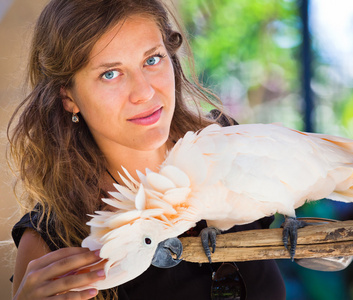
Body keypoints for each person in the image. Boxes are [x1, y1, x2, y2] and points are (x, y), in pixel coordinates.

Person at [7, 0, 286, 299]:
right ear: (68, 97)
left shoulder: (227, 145)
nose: (145, 92)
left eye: (152, 60)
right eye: (110, 74)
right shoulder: (52, 241)